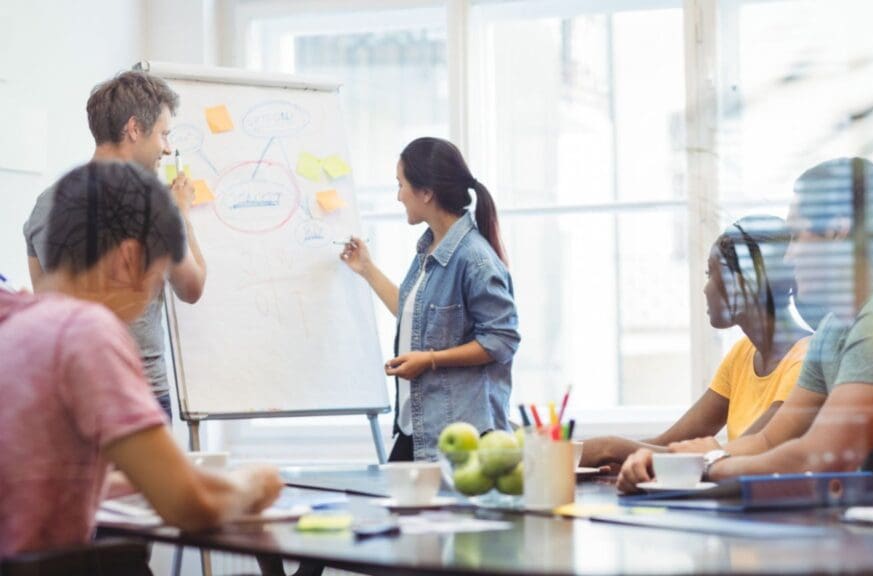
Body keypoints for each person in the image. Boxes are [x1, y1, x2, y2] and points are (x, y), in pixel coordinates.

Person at [617, 157, 873, 495]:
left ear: (837, 230)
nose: (790, 256)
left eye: (796, 236)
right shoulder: (835, 329)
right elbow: (770, 441)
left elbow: (825, 457)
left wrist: (710, 465)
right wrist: (682, 464)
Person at [0, 161, 282, 556]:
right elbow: (188, 504)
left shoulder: (14, 320)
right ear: (131, 258)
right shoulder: (84, 332)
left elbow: (35, 477)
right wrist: (252, 484)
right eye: (160, 270)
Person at [23, 70, 207, 419]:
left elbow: (42, 306)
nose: (167, 149)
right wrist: (180, 212)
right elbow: (192, 286)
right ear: (134, 128)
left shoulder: (44, 204)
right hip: (136, 397)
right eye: (163, 135)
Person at [580, 216, 812, 471]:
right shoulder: (742, 354)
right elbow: (668, 443)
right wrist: (620, 458)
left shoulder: (804, 362)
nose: (706, 289)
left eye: (714, 274)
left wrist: (610, 447)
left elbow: (734, 455)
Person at [341, 137, 520, 462]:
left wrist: (431, 359)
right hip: (417, 430)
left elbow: (501, 340)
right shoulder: (429, 250)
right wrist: (366, 269)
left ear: (426, 192)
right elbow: (416, 316)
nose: (398, 196)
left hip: (462, 437)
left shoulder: (474, 259)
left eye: (401, 185)